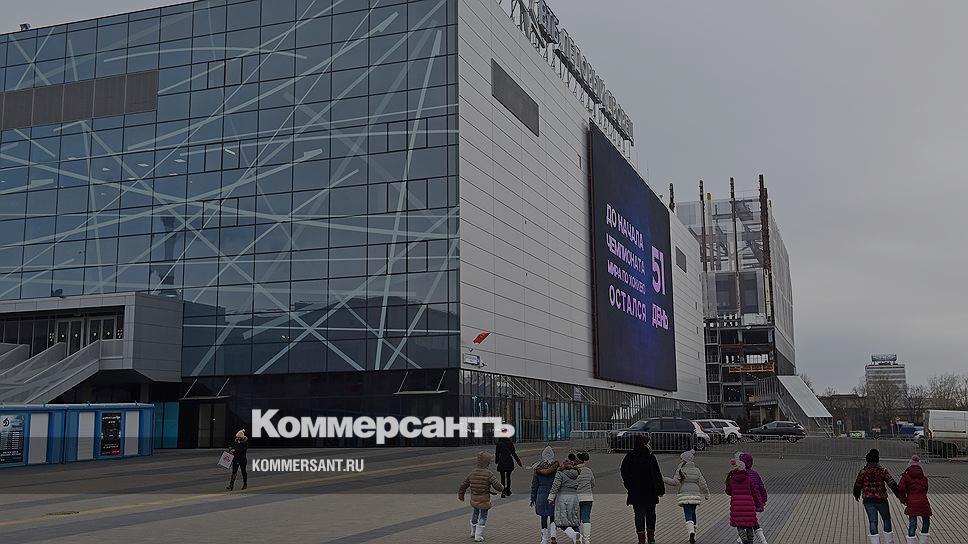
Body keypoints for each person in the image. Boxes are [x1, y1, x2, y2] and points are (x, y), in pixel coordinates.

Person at [621, 434, 665, 544]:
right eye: (648, 443)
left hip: (636, 492)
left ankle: (641, 539)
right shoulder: (650, 457)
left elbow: (624, 473)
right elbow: (657, 474)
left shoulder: (629, 457)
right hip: (650, 491)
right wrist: (660, 490)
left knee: (639, 515)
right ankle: (651, 538)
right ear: (644, 444)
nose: (649, 445)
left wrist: (629, 486)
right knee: (651, 514)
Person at [853, 448, 901, 544]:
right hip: (881, 499)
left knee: (873, 521)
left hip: (868, 500)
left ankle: (875, 542)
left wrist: (856, 494)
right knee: (886, 519)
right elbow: (891, 483)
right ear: (877, 460)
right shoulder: (882, 471)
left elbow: (857, 484)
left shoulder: (863, 472)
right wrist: (899, 495)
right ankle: (889, 541)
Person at [663, 450, 709, 543]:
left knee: (688, 513)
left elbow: (675, 482)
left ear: (684, 460)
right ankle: (694, 533)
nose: (680, 460)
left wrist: (663, 479)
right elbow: (702, 483)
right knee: (693, 512)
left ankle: (691, 532)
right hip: (695, 495)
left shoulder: (681, 470)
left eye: (681, 459)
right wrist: (706, 494)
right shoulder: (696, 470)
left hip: (685, 495)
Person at [459, 451, 505, 542]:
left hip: (474, 499)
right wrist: (502, 488)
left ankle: (473, 532)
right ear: (487, 462)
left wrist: (461, 495)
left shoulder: (472, 473)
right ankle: (478, 535)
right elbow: (498, 487)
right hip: (484, 500)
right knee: (483, 516)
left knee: (475, 513)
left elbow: (463, 485)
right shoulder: (488, 474)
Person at [726, 458, 763, 544]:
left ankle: (742, 535)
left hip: (736, 507)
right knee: (749, 524)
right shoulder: (748, 479)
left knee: (739, 524)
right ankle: (750, 540)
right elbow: (754, 493)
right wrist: (759, 504)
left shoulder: (732, 480)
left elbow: (728, 492)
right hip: (749, 506)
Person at [735, 452, 769, 544]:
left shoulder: (739, 475)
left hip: (742, 504)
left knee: (746, 522)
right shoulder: (755, 474)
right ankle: (760, 541)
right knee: (751, 521)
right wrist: (764, 500)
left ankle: (743, 539)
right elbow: (762, 488)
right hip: (753, 503)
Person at [898, 455, 931, 544]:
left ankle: (911, 542)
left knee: (912, 524)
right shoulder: (924, 478)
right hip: (923, 502)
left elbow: (900, 488)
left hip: (911, 502)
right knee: (926, 522)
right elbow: (925, 489)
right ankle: (923, 541)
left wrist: (903, 500)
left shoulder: (906, 477)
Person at [549, 458, 583, 543]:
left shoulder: (560, 473)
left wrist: (551, 497)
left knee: (561, 521)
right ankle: (578, 539)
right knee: (573, 520)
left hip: (562, 498)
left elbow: (555, 486)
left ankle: (573, 535)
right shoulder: (576, 473)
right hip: (574, 498)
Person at [531, 446, 560, 544]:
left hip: (541, 495)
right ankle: (553, 536)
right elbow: (559, 483)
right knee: (552, 516)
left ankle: (544, 539)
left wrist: (533, 498)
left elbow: (534, 485)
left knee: (543, 516)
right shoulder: (556, 469)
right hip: (553, 495)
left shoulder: (537, 469)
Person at [574, 451, 596, 544]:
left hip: (576, 498)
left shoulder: (573, 472)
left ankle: (578, 539)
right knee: (586, 518)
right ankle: (586, 539)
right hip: (588, 497)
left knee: (576, 519)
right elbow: (593, 483)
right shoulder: (588, 470)